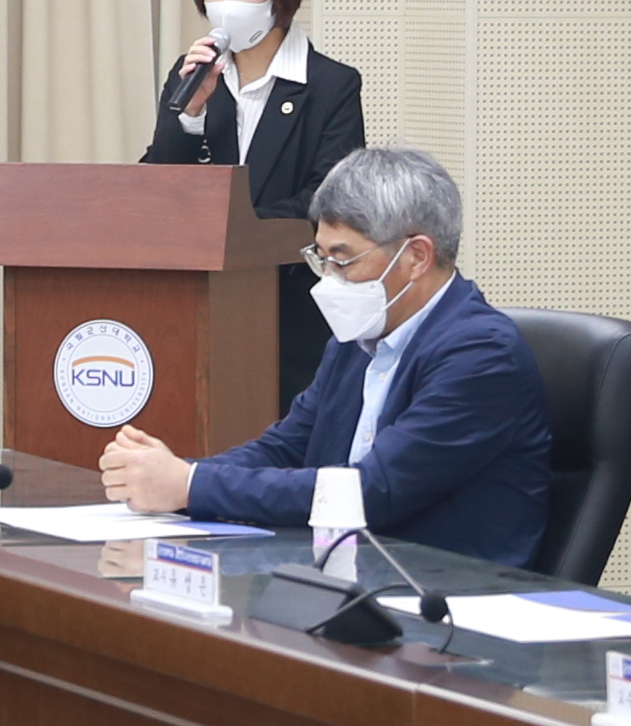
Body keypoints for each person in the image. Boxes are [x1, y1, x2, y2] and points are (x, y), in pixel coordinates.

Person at [99, 144, 553, 567]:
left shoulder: (481, 355)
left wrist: (190, 485)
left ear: (416, 257)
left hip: (441, 599)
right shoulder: (356, 338)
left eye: (343, 260)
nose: (329, 281)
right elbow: (287, 448)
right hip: (339, 573)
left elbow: (372, 491)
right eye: (321, 259)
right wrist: (174, 474)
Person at [141, 0, 368, 403]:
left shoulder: (330, 85)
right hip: (196, 307)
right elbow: (155, 187)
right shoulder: (192, 79)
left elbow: (332, 198)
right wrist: (191, 115)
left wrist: (237, 232)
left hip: (289, 309)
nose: (226, 7)